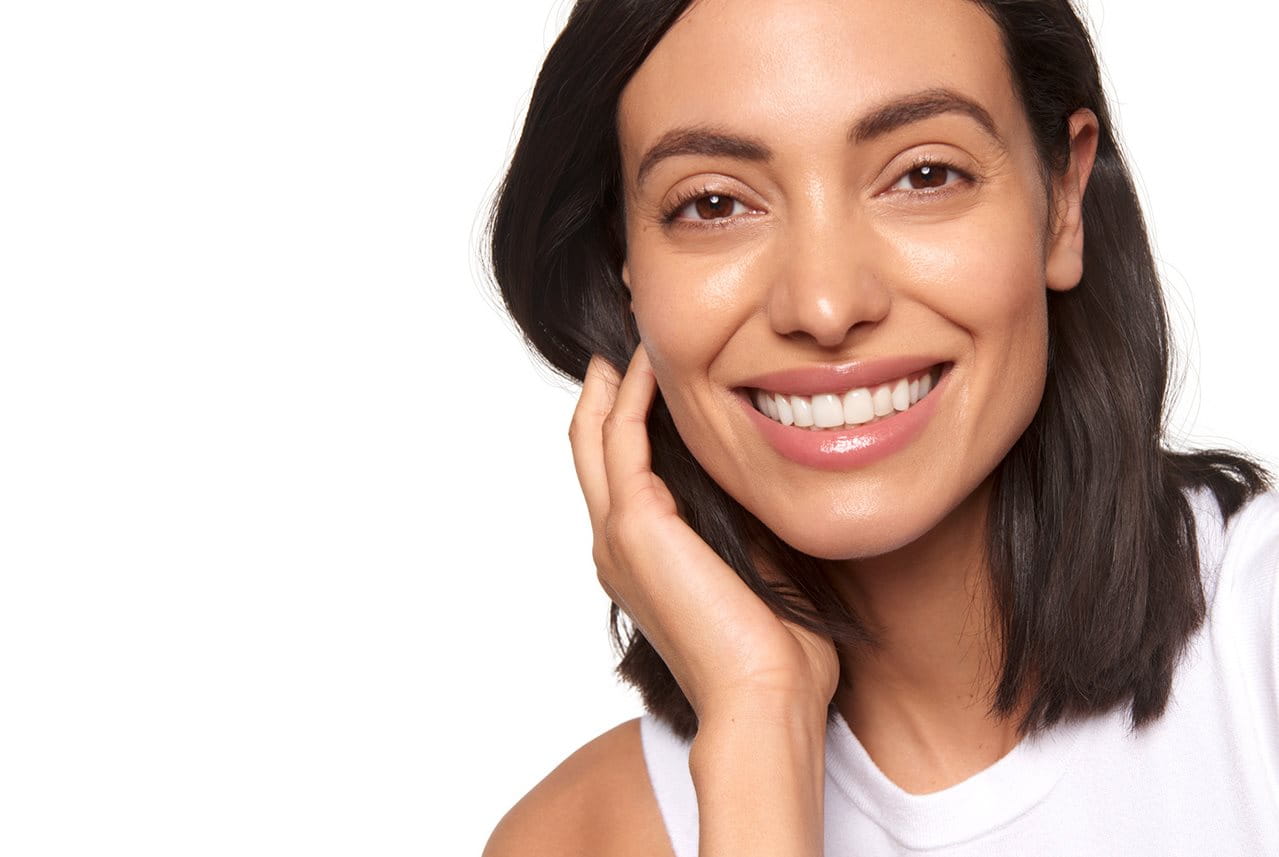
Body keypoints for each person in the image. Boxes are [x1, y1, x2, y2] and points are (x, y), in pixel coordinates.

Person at [480, 0, 1278, 854]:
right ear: (624, 264)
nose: (824, 306)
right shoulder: (577, 836)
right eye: (712, 203)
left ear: (1061, 201)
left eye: (924, 175)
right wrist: (758, 719)